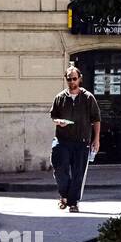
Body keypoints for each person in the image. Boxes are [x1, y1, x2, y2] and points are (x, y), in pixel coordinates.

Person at [50, 66, 101, 213]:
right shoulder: (60, 97)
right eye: (69, 79)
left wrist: (96, 139)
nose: (72, 82)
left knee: (78, 172)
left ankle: (72, 202)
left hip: (81, 140)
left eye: (74, 78)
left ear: (80, 79)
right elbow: (53, 116)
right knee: (59, 168)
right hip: (62, 140)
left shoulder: (88, 97)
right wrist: (58, 121)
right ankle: (64, 195)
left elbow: (96, 119)